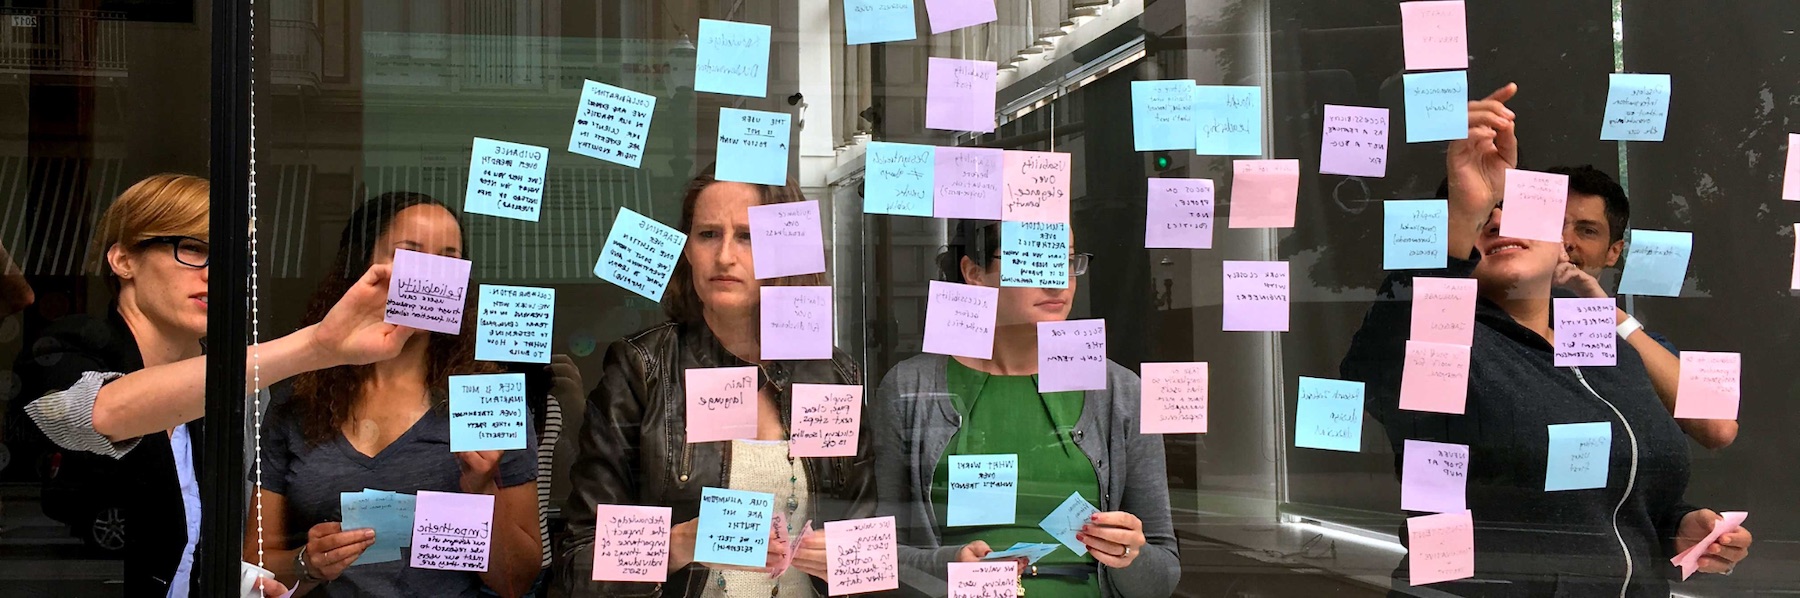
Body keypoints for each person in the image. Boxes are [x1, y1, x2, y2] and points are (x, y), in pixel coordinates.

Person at [1341, 84, 1751, 595]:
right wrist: (1463, 208)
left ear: (1559, 242)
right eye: (1481, 216)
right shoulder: (1441, 343)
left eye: (1514, 209)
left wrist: (1674, 527)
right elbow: (1379, 357)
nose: (1496, 220)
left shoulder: (1598, 338)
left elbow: (1631, 476)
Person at [21, 174, 407, 597]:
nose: (216, 274)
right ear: (123, 260)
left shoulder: (231, 391)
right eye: (193, 249)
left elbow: (199, 546)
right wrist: (317, 346)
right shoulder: (66, 345)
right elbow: (102, 414)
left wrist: (252, 580)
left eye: (232, 258)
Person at [559, 172, 873, 597]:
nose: (724, 256)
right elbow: (579, 557)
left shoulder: (833, 373)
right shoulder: (643, 369)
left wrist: (849, 562)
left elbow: (871, 546)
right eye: (708, 234)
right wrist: (678, 545)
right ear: (687, 248)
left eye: (747, 236)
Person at [245, 192, 541, 598]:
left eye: (448, 258)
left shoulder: (485, 402)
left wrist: (482, 489)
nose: (429, 273)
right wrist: (307, 563)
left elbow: (516, 581)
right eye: (409, 253)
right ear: (365, 267)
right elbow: (255, 565)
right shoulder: (300, 398)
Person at [870, 220, 1179, 597]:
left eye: (1065, 262)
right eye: (1033, 261)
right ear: (974, 273)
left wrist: (1130, 555)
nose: (1057, 282)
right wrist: (946, 566)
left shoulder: (1120, 392)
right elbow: (876, 560)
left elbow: (1162, 576)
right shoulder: (911, 389)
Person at [1547, 164, 1737, 449]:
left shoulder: (1634, 342)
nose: (1566, 241)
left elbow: (1718, 428)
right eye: (1550, 225)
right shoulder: (1484, 326)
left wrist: (1607, 313)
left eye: (1586, 231)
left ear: (1613, 252)